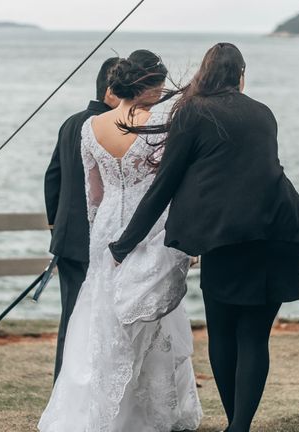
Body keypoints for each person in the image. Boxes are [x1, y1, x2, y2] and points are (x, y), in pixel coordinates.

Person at [109, 43, 299, 432]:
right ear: (240, 75)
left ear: (204, 73)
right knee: (253, 336)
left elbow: (164, 184)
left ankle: (236, 427)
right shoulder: (263, 113)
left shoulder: (193, 111)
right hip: (281, 231)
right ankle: (239, 427)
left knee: (222, 331)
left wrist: (124, 243)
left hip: (229, 238)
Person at [38, 50, 202, 432]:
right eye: (159, 83)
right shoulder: (159, 125)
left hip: (106, 225)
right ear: (149, 85)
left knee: (101, 313)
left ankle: (90, 406)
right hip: (150, 229)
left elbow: (92, 193)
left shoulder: (90, 127)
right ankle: (144, 412)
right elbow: (170, 185)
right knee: (149, 313)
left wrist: (101, 229)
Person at [43, 57, 120, 380]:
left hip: (66, 239)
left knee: (71, 317)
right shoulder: (110, 128)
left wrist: (55, 225)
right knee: (97, 318)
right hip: (96, 241)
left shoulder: (71, 122)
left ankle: (64, 386)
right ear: (111, 91)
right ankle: (86, 388)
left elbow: (53, 178)